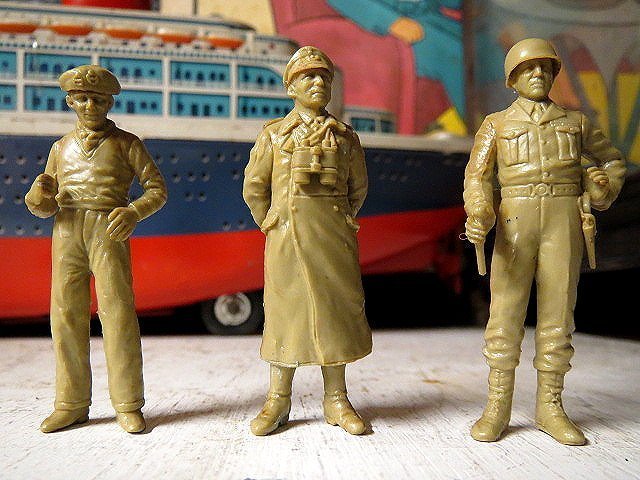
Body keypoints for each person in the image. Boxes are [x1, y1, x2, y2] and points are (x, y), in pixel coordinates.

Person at [463, 38, 625, 445]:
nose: (537, 74)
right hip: (515, 218)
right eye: (527, 68)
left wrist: (602, 189)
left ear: (554, 75)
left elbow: (612, 160)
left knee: (558, 313)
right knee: (506, 313)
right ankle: (497, 404)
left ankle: (550, 405)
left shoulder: (576, 122)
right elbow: (477, 176)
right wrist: (480, 211)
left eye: (545, 68)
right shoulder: (497, 124)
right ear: (512, 78)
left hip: (563, 217)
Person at [25, 65, 167, 433]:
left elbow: (157, 190)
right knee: (65, 315)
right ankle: (70, 403)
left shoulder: (128, 143)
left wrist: (134, 212)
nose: (91, 105)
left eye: (99, 99)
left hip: (108, 228)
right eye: (83, 98)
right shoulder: (60, 148)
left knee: (117, 315)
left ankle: (128, 404)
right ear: (70, 102)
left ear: (109, 103)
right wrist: (39, 195)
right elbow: (44, 205)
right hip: (67, 230)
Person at [243, 46, 372, 436]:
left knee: (336, 313)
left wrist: (343, 219)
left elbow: (358, 187)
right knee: (285, 315)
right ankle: (278, 399)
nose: (318, 83)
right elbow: (254, 187)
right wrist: (271, 221)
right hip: (287, 239)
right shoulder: (274, 135)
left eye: (324, 77)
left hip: (332, 239)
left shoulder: (345, 138)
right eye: (308, 77)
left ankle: (337, 399)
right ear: (290, 88)